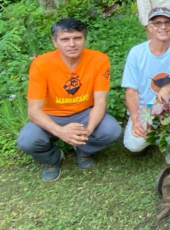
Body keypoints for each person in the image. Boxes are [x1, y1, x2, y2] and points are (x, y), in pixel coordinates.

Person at [17, 18, 121, 182]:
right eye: (65, 39)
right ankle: (53, 158)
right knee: (27, 141)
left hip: (84, 112)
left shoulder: (99, 60)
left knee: (111, 130)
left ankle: (83, 150)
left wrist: (88, 130)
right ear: (55, 42)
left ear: (84, 39)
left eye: (77, 38)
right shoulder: (41, 64)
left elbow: (100, 102)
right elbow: (33, 110)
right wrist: (60, 131)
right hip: (51, 114)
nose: (72, 44)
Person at [121, 7, 170, 154]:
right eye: (157, 23)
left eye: (167, 22)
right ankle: (160, 131)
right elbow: (131, 90)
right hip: (147, 108)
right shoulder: (136, 53)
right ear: (149, 27)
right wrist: (136, 119)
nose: (163, 27)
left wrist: (168, 88)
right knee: (133, 145)